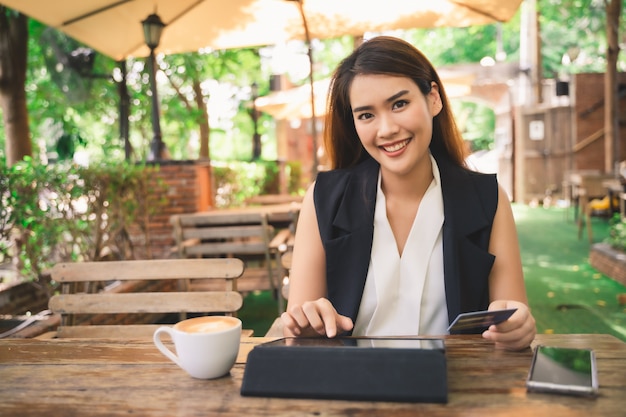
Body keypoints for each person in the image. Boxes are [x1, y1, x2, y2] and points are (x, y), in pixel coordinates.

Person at [281, 36, 536, 351]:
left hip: (453, 389)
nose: (386, 129)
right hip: (352, 388)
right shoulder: (324, 199)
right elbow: (299, 330)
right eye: (366, 115)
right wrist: (305, 324)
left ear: (433, 99)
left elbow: (510, 318)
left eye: (399, 104)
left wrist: (517, 328)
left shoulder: (487, 199)